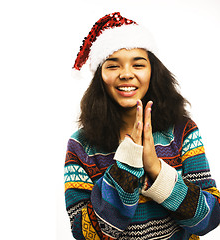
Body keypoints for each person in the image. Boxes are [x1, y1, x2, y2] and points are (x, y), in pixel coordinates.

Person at [64, 12, 220, 240]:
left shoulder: (182, 131)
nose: (126, 74)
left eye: (138, 64)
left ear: (152, 72)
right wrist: (126, 166)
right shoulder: (81, 145)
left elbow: (210, 217)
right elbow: (85, 234)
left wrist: (156, 170)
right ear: (100, 77)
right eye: (112, 66)